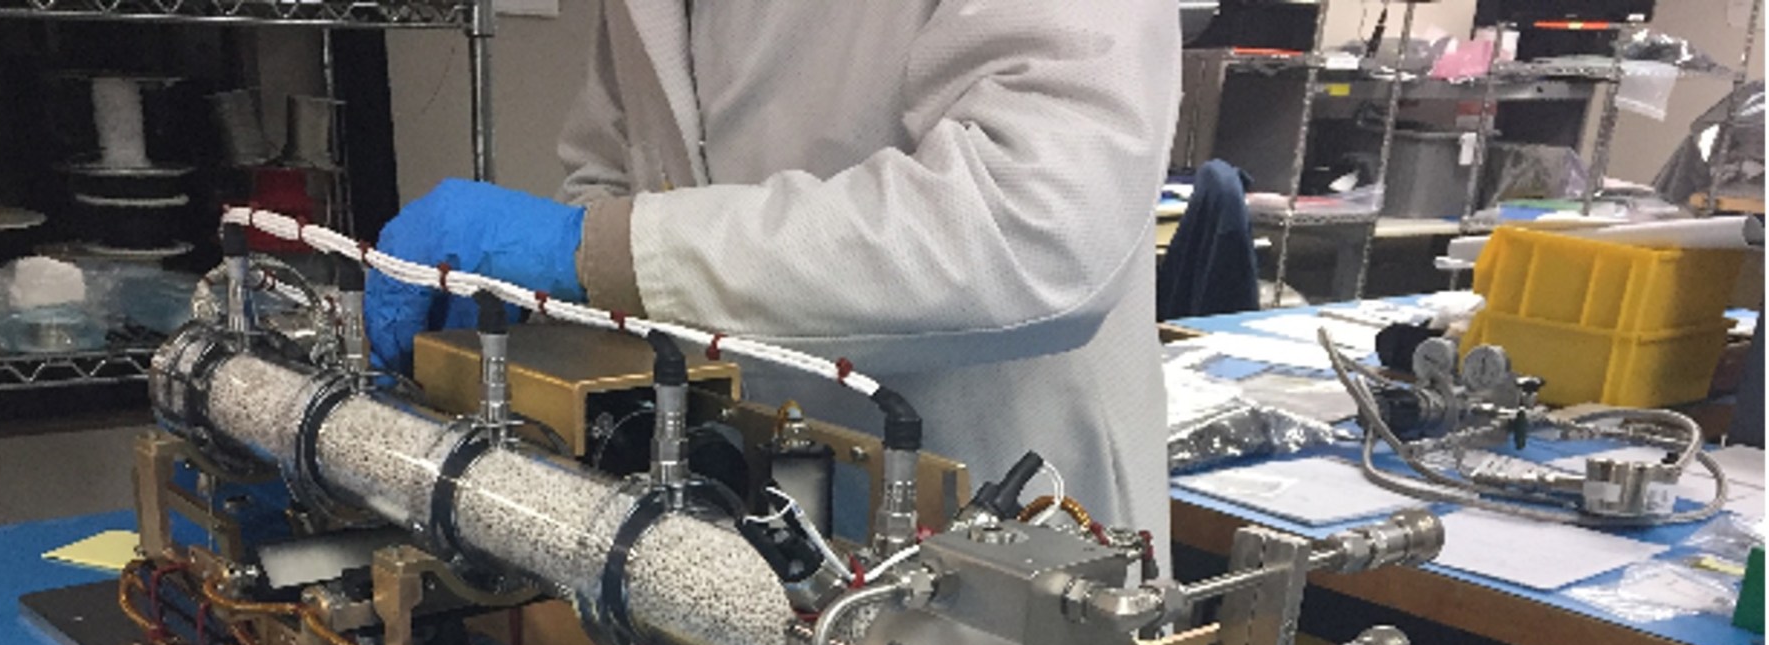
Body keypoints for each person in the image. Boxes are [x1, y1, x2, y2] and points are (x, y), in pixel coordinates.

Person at [365, 1, 1178, 543]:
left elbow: (1033, 224)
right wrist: (542, 308)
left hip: (999, 493)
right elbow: (622, 164)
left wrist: (590, 251)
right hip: (738, 507)